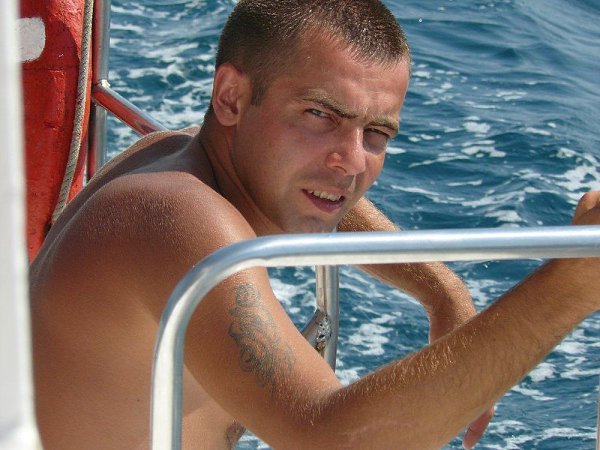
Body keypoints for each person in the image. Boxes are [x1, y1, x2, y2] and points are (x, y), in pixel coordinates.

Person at [28, 1, 599, 449]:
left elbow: (322, 191)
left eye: (377, 133)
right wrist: (576, 283)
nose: (352, 161)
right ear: (231, 97)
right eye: (321, 115)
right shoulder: (178, 222)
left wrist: (439, 288)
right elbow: (331, 439)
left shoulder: (174, 157)